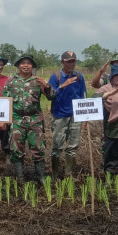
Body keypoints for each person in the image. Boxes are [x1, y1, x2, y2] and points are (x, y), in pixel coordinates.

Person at [0, 54, 54, 184]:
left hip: (35, 120)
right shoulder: (11, 82)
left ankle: (41, 177)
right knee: (16, 149)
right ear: (18, 66)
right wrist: (2, 120)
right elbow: (4, 102)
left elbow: (52, 97)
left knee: (38, 149)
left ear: (32, 66)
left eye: (29, 63)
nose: (26, 65)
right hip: (17, 120)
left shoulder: (38, 81)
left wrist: (46, 86)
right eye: (23, 63)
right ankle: (20, 178)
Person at [48, 51, 87, 180]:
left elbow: (83, 97)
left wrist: (85, 117)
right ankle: (54, 175)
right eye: (68, 61)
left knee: (72, 147)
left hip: (76, 116)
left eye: (73, 61)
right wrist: (62, 86)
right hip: (60, 116)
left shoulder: (79, 77)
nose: (71, 64)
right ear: (62, 62)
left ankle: (68, 174)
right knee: (57, 147)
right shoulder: (56, 77)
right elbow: (50, 95)